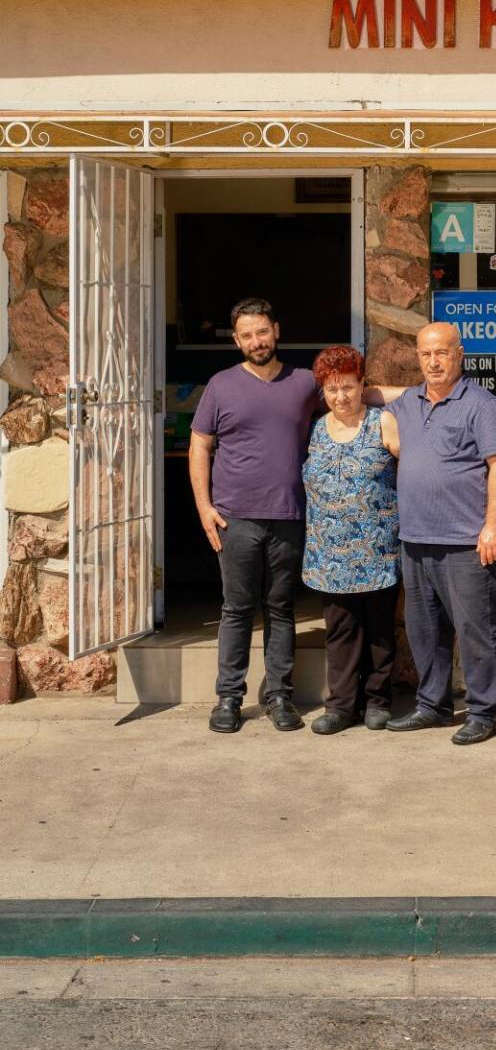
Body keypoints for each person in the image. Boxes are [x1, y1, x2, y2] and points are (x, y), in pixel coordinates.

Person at [189, 297, 317, 735]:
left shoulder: (305, 382)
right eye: (247, 335)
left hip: (289, 515)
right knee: (237, 609)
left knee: (281, 608)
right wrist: (205, 508)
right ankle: (228, 697)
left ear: (276, 330)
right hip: (234, 517)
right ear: (237, 340)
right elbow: (200, 446)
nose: (256, 341)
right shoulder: (220, 385)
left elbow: (353, 396)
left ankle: (280, 695)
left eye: (262, 331)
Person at [386, 321, 496, 745]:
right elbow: (372, 395)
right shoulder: (408, 401)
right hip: (415, 539)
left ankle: (482, 711)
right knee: (424, 631)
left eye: (442, 352)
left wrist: (493, 525)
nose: (434, 361)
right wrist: (373, 405)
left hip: (465, 542)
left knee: (477, 629)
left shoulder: (481, 404)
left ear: (460, 354)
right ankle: (433, 706)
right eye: (426, 354)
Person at [302, 345, 401, 735]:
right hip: (330, 553)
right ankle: (341, 706)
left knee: (378, 629)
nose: (340, 396)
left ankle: (378, 700)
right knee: (341, 630)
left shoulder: (383, 422)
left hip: (377, 547)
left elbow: (411, 471)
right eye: (331, 389)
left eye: (347, 386)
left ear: (363, 385)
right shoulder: (313, 428)